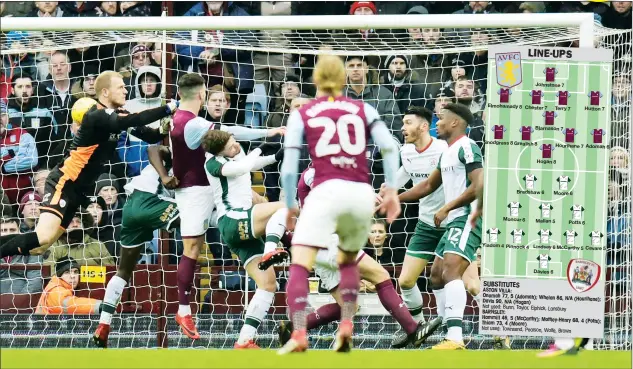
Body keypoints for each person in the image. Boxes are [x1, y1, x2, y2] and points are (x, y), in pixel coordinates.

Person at [278, 55, 401, 354]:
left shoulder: (303, 113)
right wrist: (393, 191)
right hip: (360, 191)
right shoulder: (364, 108)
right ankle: (346, 325)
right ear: (344, 79)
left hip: (326, 189)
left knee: (299, 263)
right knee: (348, 259)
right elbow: (389, 147)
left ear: (315, 80)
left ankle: (298, 332)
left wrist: (291, 205)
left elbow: (290, 169)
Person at [92, 143, 271, 347]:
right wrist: (165, 176)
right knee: (197, 227)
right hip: (151, 201)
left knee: (123, 270)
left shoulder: (202, 164)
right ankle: (183, 310)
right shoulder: (193, 157)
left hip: (131, 206)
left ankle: (104, 323)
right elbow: (152, 149)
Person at [0, 71, 177, 260]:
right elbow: (135, 119)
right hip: (64, 181)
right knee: (42, 237)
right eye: (121, 87)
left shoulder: (119, 116)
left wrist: (162, 129)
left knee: (40, 247)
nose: (126, 90)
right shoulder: (97, 116)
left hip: (77, 192)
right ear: (106, 92)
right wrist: (169, 107)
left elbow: (150, 135)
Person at [168, 72, 285, 340]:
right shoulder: (193, 122)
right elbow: (234, 136)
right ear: (202, 96)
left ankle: (244, 337)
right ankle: (184, 309)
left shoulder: (176, 118)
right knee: (192, 248)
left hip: (209, 192)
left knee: (261, 202)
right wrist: (269, 132)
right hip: (196, 191)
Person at [278, 165, 430, 349]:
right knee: (380, 276)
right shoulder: (314, 172)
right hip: (329, 242)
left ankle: (295, 327)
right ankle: (413, 330)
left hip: (317, 247)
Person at [392, 103, 484, 350]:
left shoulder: (467, 147)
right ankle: (441, 330)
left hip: (467, 217)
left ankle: (455, 337)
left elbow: (479, 186)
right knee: (436, 276)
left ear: (454, 123)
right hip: (449, 220)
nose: (437, 124)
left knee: (455, 273)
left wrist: (446, 207)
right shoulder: (448, 153)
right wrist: (394, 198)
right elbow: (426, 187)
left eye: (440, 120)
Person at [203, 130, 290, 348]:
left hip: (241, 230)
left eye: (234, 140)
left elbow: (249, 165)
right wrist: (261, 146)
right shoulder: (213, 164)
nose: (235, 145)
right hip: (233, 220)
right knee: (284, 207)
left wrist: (274, 157)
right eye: (230, 144)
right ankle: (272, 248)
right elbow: (241, 168)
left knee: (268, 284)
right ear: (219, 150)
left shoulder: (236, 154)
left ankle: (244, 340)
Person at [378, 106, 447, 343]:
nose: (403, 128)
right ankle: (417, 328)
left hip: (454, 222)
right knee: (406, 280)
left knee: (467, 282)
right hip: (427, 223)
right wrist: (385, 192)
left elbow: (430, 186)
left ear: (424, 126)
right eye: (403, 123)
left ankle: (500, 334)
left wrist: (394, 197)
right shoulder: (407, 151)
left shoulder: (444, 149)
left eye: (407, 123)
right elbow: (402, 177)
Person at [35, 256, 102, 315]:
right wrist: (100, 306)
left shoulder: (61, 287)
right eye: (67, 272)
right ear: (59, 275)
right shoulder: (55, 290)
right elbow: (72, 305)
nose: (73, 276)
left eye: (75, 272)